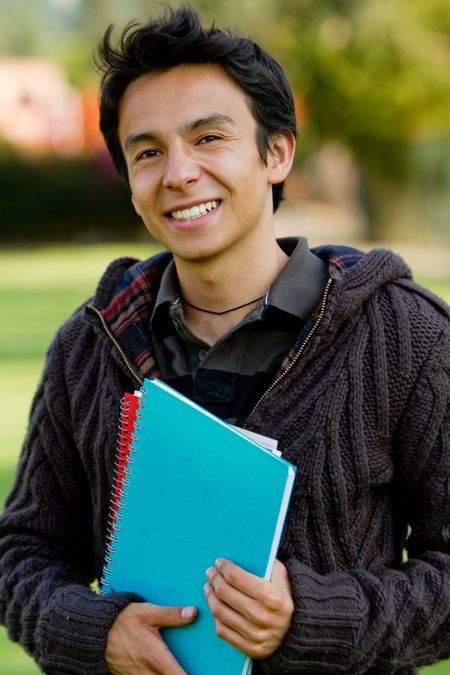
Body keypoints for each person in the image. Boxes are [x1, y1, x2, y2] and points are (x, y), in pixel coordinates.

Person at [1, 5, 449, 674]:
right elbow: (22, 554)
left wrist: (311, 614)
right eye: (147, 151)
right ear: (130, 186)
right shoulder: (88, 347)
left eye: (208, 137)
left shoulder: (404, 334)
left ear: (277, 153)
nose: (178, 173)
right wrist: (99, 631)